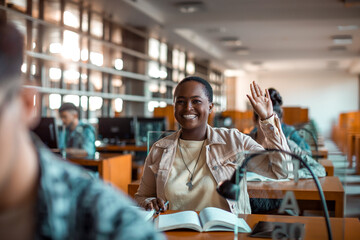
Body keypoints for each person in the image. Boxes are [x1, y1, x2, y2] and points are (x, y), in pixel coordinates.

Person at [0, 19, 164, 240]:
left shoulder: (113, 226)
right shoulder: (66, 132)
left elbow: (86, 152)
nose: (64, 120)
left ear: (27, 104)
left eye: (66, 116)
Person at [135, 76, 291, 214]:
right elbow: (141, 197)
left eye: (196, 101)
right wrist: (149, 202)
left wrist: (268, 118)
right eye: (181, 101)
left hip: (227, 233)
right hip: (175, 233)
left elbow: (281, 171)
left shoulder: (233, 140)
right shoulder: (159, 149)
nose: (188, 107)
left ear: (210, 106)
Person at [250, 88, 312, 155]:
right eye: (263, 121)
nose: (268, 127)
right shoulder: (251, 138)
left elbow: (307, 152)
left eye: (272, 121)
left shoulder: (290, 134)